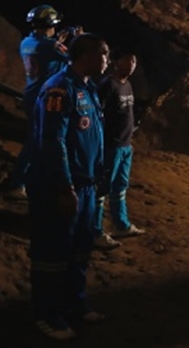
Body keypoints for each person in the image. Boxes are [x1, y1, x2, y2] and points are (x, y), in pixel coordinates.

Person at [27, 33, 109, 341]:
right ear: (86, 56)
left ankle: (74, 304)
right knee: (53, 252)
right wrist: (64, 186)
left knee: (79, 252)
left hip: (85, 185)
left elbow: (91, 137)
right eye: (104, 53)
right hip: (59, 186)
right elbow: (52, 141)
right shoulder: (59, 89)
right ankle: (46, 314)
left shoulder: (87, 88)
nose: (107, 60)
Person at [1, 5, 78, 200]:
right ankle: (19, 183)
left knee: (37, 139)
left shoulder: (27, 42)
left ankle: (24, 181)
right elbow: (74, 58)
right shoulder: (50, 46)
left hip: (31, 95)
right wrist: (76, 39)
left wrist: (56, 41)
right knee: (41, 141)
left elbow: (47, 51)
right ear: (50, 24)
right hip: (45, 98)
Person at [93, 51, 145, 250]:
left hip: (125, 146)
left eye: (134, 60)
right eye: (128, 59)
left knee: (120, 186)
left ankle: (121, 225)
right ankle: (95, 231)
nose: (132, 64)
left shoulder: (127, 85)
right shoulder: (108, 85)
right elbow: (98, 114)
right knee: (102, 188)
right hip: (111, 146)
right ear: (116, 62)